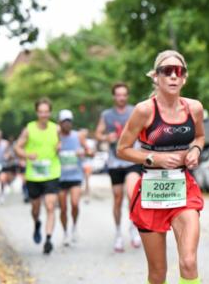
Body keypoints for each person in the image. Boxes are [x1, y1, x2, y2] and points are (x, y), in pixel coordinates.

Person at [117, 51, 205, 284]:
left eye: (179, 71)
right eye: (166, 70)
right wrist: (153, 158)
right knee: (158, 271)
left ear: (185, 77)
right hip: (153, 193)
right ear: (155, 76)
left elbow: (200, 137)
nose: (173, 76)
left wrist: (195, 150)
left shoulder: (194, 108)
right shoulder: (144, 111)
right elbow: (122, 149)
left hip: (183, 190)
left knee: (189, 261)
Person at [96, 83, 144, 252]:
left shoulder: (135, 111)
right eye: (118, 95)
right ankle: (118, 233)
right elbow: (98, 134)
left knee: (132, 194)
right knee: (117, 198)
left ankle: (133, 229)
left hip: (132, 159)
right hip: (115, 161)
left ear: (127, 96)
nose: (121, 98)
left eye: (124, 94)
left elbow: (145, 128)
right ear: (114, 97)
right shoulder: (107, 115)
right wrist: (106, 137)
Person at [14, 98, 61, 255]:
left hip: (52, 172)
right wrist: (27, 155)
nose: (44, 115)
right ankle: (37, 223)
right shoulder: (29, 129)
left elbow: (62, 144)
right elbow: (17, 148)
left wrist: (59, 147)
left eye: (46, 112)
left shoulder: (56, 129)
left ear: (50, 112)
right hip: (33, 175)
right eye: (41, 112)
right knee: (35, 208)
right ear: (36, 113)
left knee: (50, 206)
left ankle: (48, 239)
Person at [57, 110, 88, 246]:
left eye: (69, 121)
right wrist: (55, 150)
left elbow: (90, 152)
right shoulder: (56, 137)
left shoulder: (78, 136)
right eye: (64, 121)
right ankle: (65, 233)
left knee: (75, 204)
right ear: (60, 123)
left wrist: (83, 152)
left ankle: (74, 227)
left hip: (75, 176)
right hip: (60, 177)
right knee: (63, 208)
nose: (67, 124)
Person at [81, 128, 95, 201]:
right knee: (80, 180)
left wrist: (86, 153)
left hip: (88, 164)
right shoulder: (77, 141)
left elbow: (93, 153)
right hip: (79, 164)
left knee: (87, 179)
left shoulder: (91, 142)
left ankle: (87, 194)